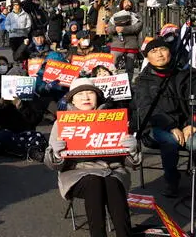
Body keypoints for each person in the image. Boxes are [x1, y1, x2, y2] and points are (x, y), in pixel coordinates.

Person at [45, 78, 140, 237]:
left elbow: (131, 162)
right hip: (77, 174)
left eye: (90, 93)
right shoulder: (62, 122)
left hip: (113, 170)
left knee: (111, 182)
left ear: (98, 97)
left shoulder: (113, 118)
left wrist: (132, 149)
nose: (86, 97)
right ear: (72, 99)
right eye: (80, 94)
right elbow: (52, 164)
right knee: (94, 181)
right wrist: (55, 153)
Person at [133, 37, 196, 197]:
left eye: (163, 49)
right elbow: (145, 108)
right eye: (154, 51)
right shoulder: (143, 80)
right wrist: (170, 126)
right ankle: (171, 181)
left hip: (186, 125)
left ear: (170, 52)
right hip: (156, 126)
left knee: (195, 143)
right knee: (169, 141)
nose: (160, 54)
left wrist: (191, 123)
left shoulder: (186, 74)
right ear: (147, 57)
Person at [107, 0, 142, 76]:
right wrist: (115, 29)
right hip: (117, 45)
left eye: (129, 2)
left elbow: (137, 28)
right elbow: (108, 29)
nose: (127, 4)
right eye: (125, 2)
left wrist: (124, 29)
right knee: (112, 66)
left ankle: (128, 84)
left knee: (130, 68)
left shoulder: (137, 15)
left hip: (131, 45)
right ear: (121, 4)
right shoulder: (115, 15)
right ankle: (112, 83)